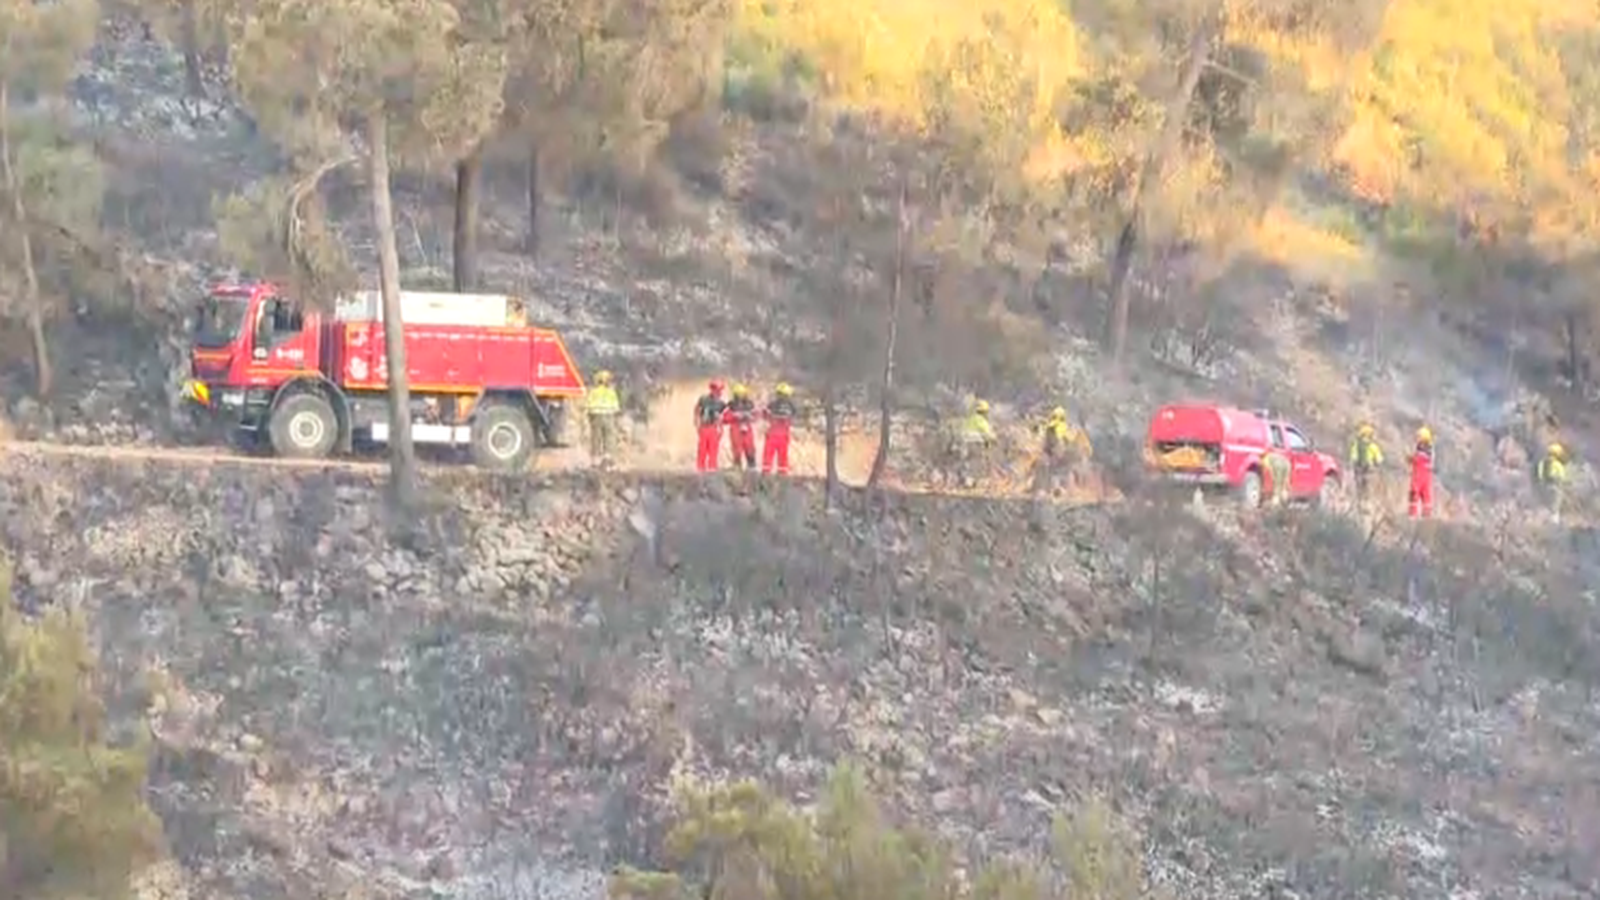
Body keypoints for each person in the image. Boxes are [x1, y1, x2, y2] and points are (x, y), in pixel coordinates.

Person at [955, 399, 996, 487]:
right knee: (977, 463)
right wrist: (993, 439)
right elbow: (987, 434)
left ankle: (966, 481)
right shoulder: (981, 421)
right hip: (976, 444)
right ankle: (977, 482)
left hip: (965, 444)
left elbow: (961, 432)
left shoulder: (969, 420)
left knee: (967, 463)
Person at [585, 370, 621, 467]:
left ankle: (595, 460)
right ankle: (608, 458)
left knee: (596, 438)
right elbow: (616, 407)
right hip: (609, 416)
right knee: (609, 437)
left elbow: (588, 406)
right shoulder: (611, 392)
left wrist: (590, 417)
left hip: (596, 416)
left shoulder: (593, 392)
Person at [761, 382, 797, 475]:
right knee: (769, 457)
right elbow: (765, 415)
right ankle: (767, 474)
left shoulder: (790, 406)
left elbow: (793, 418)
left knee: (782, 458)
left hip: (782, 434)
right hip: (774, 434)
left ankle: (782, 476)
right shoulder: (773, 405)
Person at [723, 383, 758, 470]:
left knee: (750, 447)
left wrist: (749, 416)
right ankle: (737, 466)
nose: (741, 397)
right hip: (736, 427)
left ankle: (752, 466)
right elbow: (725, 418)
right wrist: (735, 416)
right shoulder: (731, 405)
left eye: (742, 394)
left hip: (747, 427)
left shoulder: (750, 404)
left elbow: (756, 415)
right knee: (737, 448)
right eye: (739, 395)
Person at [1348, 422, 1384, 507]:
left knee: (1358, 484)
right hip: (1369, 468)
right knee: (1367, 485)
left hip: (1358, 467)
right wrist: (1379, 465)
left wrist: (1352, 464)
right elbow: (1379, 459)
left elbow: (1353, 456)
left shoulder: (1356, 444)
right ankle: (1366, 501)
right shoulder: (1373, 446)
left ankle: (1359, 500)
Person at [694, 381, 727, 472]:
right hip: (704, 426)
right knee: (702, 450)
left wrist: (720, 429)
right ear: (712, 389)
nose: (719, 392)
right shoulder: (703, 399)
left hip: (714, 428)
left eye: (720, 390)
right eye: (717, 390)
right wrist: (696, 423)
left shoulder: (721, 404)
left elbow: (723, 417)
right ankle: (700, 469)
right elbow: (696, 410)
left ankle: (712, 469)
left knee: (713, 450)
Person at [1536, 441, 1569, 523]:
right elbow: (1562, 478)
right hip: (1555, 488)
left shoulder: (1542, 463)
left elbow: (1540, 476)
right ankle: (1554, 523)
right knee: (1555, 507)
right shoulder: (1558, 465)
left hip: (1544, 487)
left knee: (1546, 506)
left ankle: (1543, 522)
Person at [1408, 425, 1435, 519]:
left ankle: (1413, 514)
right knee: (1426, 496)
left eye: (1419, 436)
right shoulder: (1430, 448)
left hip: (1419, 474)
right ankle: (1426, 515)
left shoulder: (1423, 448)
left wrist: (1410, 459)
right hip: (1427, 475)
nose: (1417, 438)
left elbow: (1419, 459)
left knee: (1414, 493)